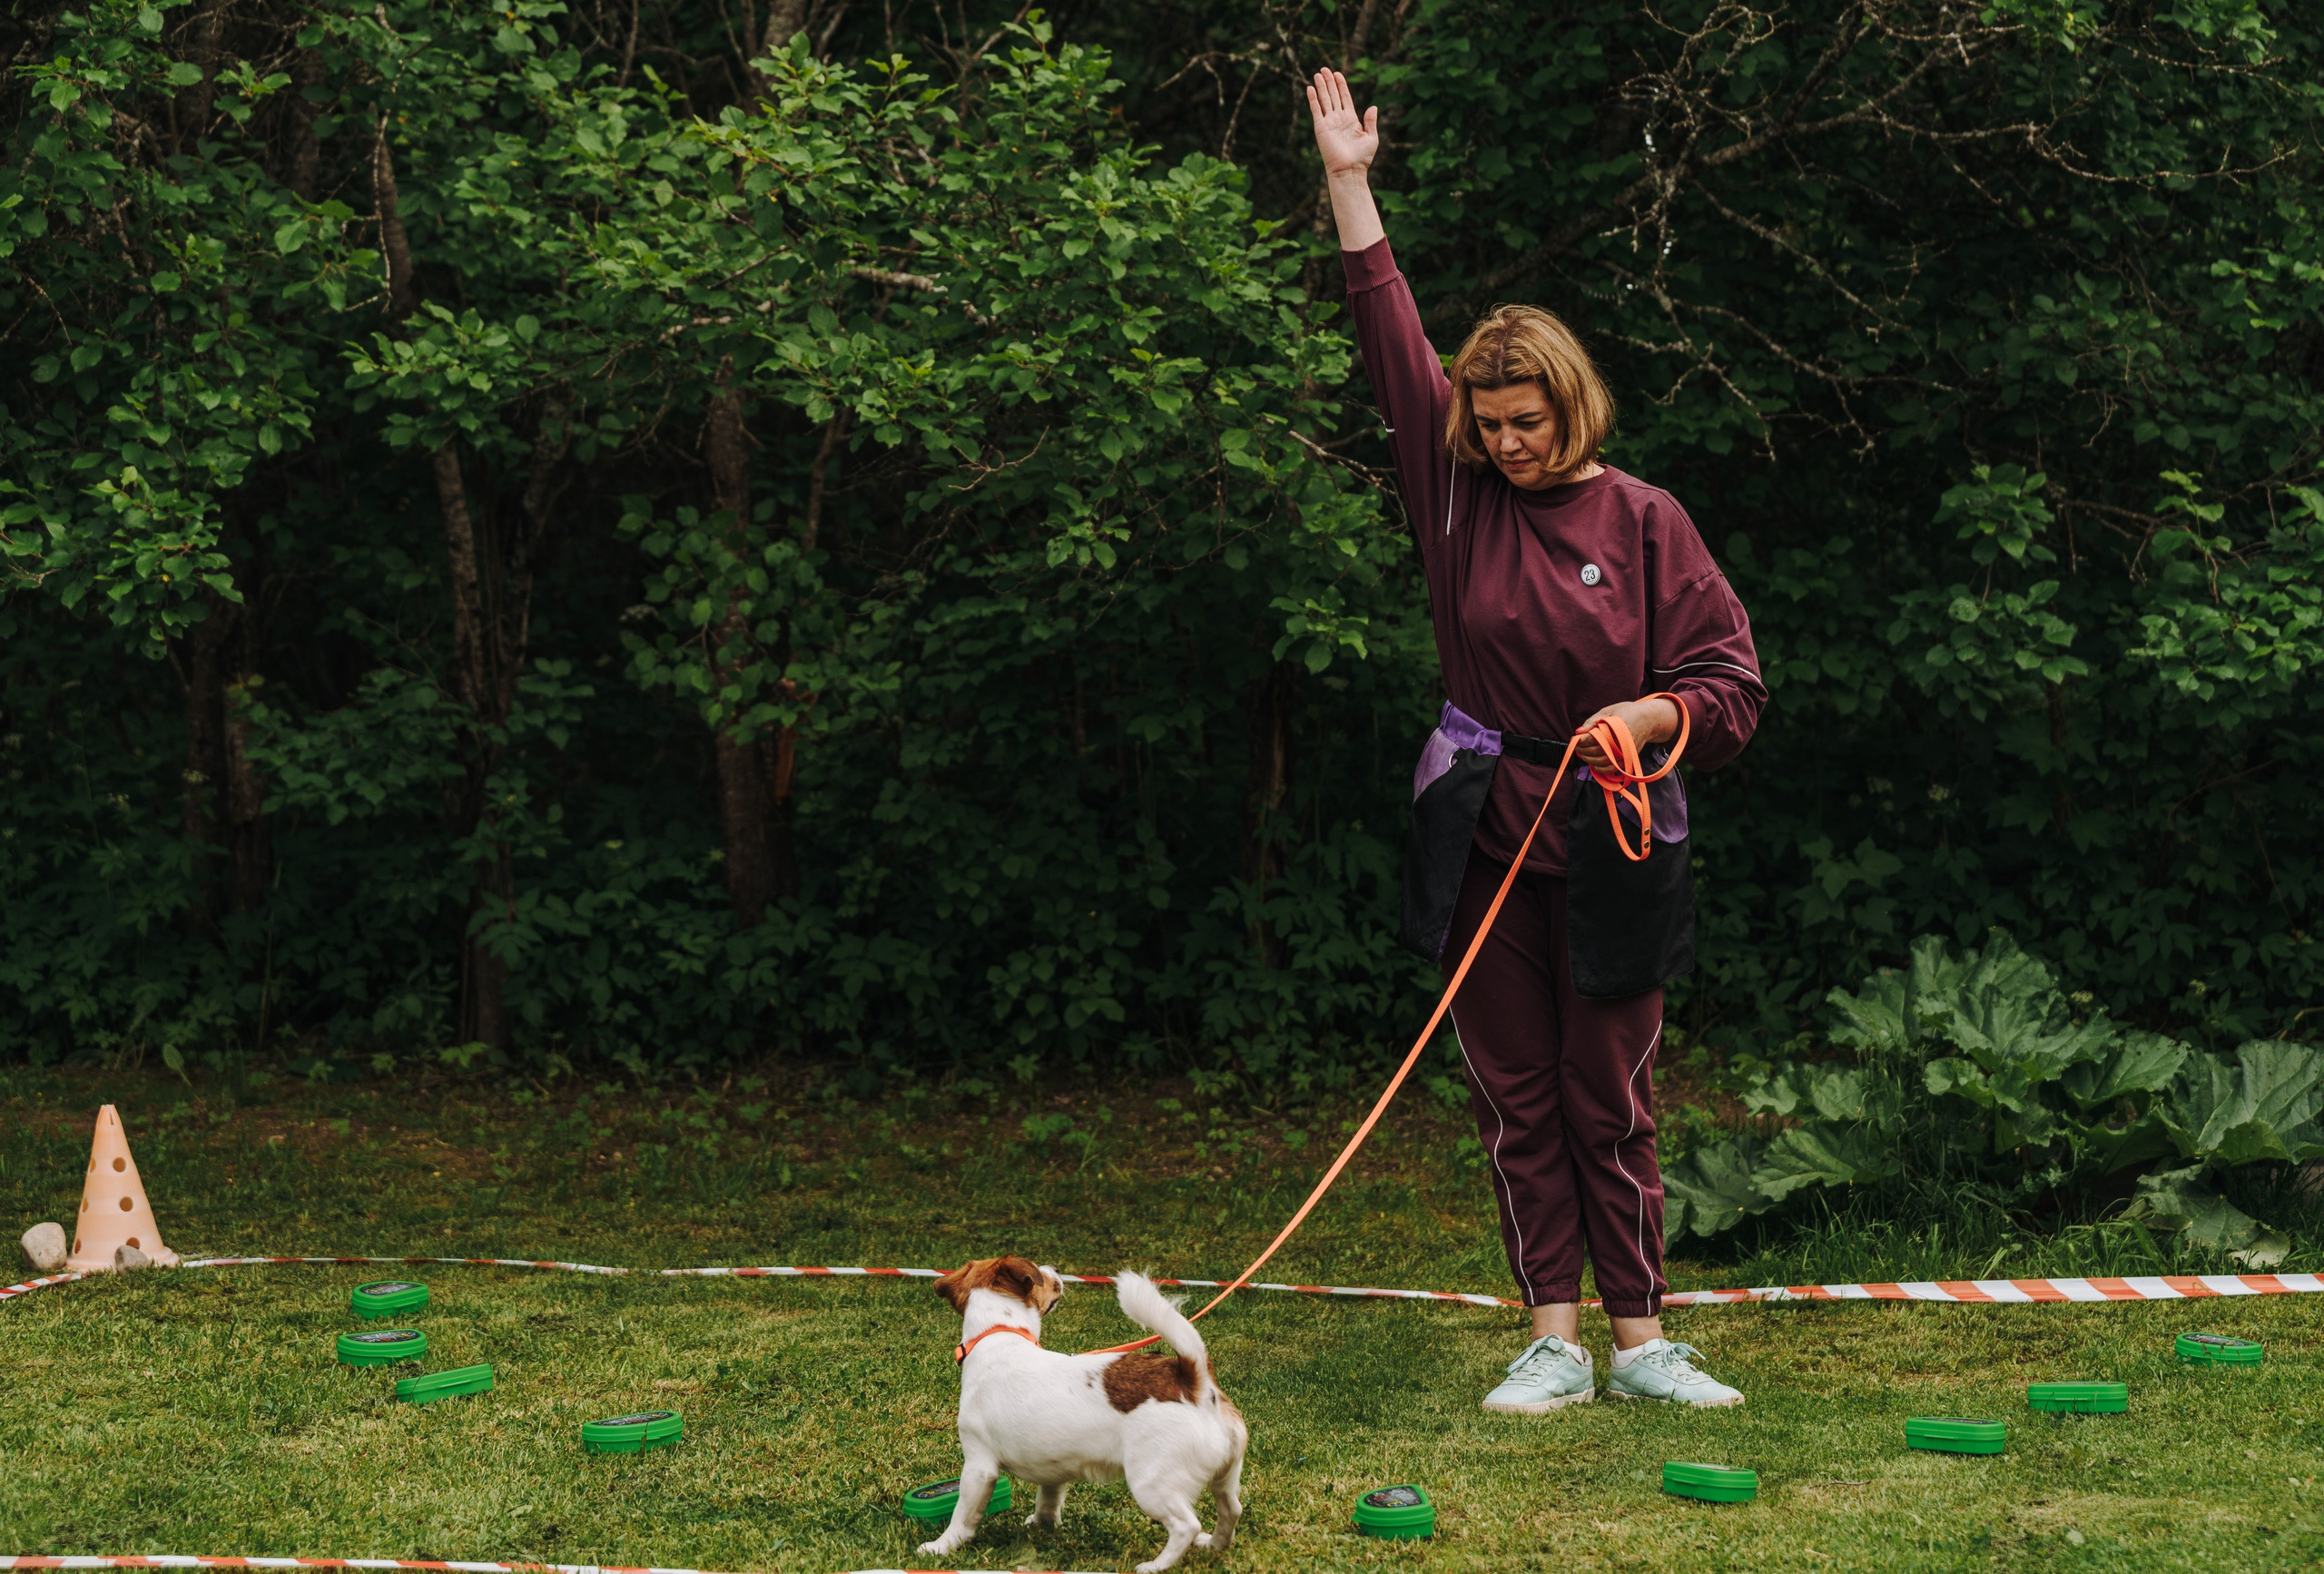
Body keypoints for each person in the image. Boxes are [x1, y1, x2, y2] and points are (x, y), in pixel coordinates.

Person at [1306, 69, 1768, 1412]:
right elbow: (1391, 335)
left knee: (1607, 1091)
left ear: (1576, 408)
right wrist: (1350, 184)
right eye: (1488, 423)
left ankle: (1643, 1341)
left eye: (1530, 422)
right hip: (1481, 827)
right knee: (1518, 1095)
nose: (1507, 442)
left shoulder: (1644, 519)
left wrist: (1649, 713)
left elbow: (1730, 681)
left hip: (1616, 829)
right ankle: (1552, 1336)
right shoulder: (1454, 498)